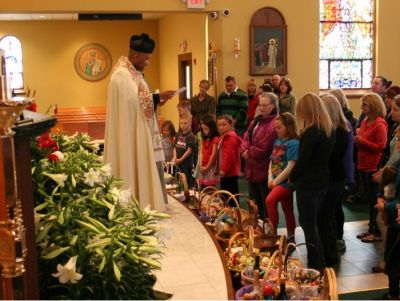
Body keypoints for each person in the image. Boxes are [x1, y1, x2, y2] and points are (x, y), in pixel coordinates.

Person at [104, 33, 175, 211]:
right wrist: (157, 97)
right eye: (147, 58)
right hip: (128, 136)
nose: (148, 62)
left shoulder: (134, 74)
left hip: (138, 130)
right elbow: (132, 103)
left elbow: (138, 101)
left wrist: (157, 99)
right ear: (135, 56)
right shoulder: (122, 75)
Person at [289, 93, 335, 271]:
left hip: (308, 184)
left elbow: (303, 161)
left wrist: (292, 176)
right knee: (313, 223)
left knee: (308, 225)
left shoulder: (311, 132)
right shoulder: (327, 129)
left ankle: (317, 265)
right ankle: (321, 261)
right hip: (323, 180)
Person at [319, 93, 350, 266]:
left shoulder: (337, 131)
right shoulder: (335, 128)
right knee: (327, 215)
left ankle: (330, 253)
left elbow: (330, 157)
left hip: (334, 178)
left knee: (325, 215)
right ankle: (329, 250)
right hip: (334, 177)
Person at [355, 93, 387, 243]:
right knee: (369, 199)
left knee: (375, 200)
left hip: (373, 166)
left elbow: (381, 147)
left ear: (373, 106)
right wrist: (358, 140)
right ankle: (371, 228)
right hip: (362, 163)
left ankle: (376, 231)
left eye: (364, 105)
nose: (362, 107)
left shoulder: (380, 124)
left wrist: (362, 140)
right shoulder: (365, 121)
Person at [241, 92, 278, 219]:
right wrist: (244, 149)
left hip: (264, 170)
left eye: (264, 105)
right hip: (251, 168)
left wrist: (248, 152)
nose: (261, 107)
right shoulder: (256, 120)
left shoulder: (274, 123)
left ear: (273, 106)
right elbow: (246, 137)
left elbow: (265, 146)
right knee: (254, 204)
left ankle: (267, 231)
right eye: (259, 104)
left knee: (265, 206)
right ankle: (256, 230)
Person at [266, 112, 299, 240]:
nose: (276, 130)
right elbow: (271, 161)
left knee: (270, 200)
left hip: (286, 183)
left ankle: (273, 231)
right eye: (276, 127)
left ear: (289, 127)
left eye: (279, 127)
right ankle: (291, 234)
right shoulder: (277, 141)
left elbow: (291, 166)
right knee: (287, 208)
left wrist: (275, 182)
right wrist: (270, 178)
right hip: (275, 180)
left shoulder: (294, 143)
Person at [216, 115, 243, 195]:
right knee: (226, 194)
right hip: (226, 172)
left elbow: (228, 155)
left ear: (231, 125)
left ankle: (232, 207)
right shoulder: (224, 136)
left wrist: (223, 169)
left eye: (224, 125)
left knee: (230, 195)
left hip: (230, 172)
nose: (221, 127)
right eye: (219, 125)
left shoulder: (230, 138)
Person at [172, 115, 196, 189]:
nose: (182, 125)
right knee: (178, 181)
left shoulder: (191, 136)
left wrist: (180, 159)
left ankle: (187, 197)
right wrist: (175, 158)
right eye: (181, 123)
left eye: (185, 123)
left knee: (187, 183)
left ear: (190, 123)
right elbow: (175, 147)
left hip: (186, 164)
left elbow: (189, 150)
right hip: (178, 163)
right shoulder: (178, 134)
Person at [197, 116, 220, 189]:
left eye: (206, 129)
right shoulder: (204, 138)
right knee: (202, 187)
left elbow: (213, 155)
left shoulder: (215, 139)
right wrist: (200, 165)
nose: (204, 131)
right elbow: (200, 153)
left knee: (210, 188)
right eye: (203, 129)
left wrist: (207, 167)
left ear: (212, 128)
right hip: (202, 166)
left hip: (210, 167)